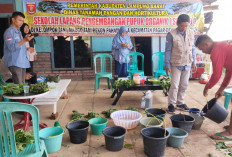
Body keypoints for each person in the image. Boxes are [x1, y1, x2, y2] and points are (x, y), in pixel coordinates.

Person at [195, 35, 232, 140]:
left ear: (206, 44)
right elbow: (229, 71)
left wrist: (207, 87)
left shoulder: (216, 50)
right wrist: (221, 89)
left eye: (202, 49)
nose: (203, 52)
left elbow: (217, 74)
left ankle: (230, 132)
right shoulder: (221, 46)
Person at [165, 14, 197, 113]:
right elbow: (167, 51)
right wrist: (167, 65)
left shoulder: (191, 33)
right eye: (182, 26)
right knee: (174, 85)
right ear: (177, 24)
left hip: (187, 63)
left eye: (186, 26)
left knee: (184, 85)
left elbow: (193, 49)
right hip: (175, 63)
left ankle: (180, 103)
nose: (184, 28)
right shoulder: (171, 34)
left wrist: (194, 62)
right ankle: (171, 104)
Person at [4, 11, 33, 84]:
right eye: (20, 20)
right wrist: (24, 40)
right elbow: (11, 47)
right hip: (15, 62)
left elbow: (20, 47)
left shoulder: (18, 32)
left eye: (22, 21)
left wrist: (26, 44)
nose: (21, 23)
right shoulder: (9, 32)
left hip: (22, 62)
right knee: (19, 85)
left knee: (22, 84)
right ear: (13, 20)